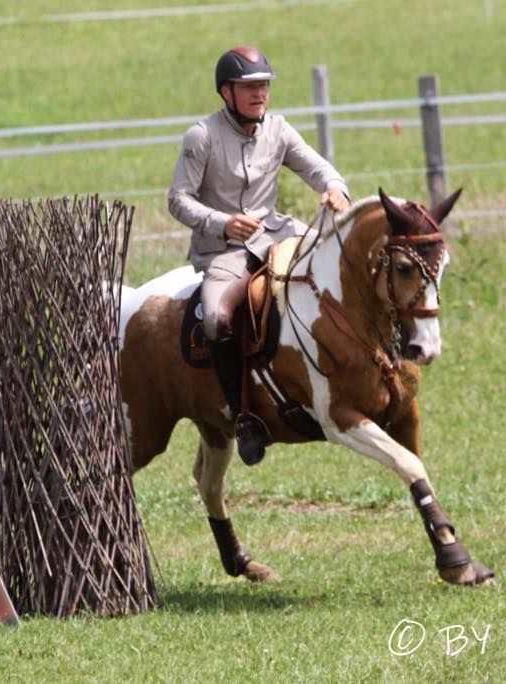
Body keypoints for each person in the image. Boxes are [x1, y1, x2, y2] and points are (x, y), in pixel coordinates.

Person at [168, 45, 350, 466]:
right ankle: (243, 414)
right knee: (215, 318)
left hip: (276, 235)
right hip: (224, 250)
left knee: (334, 263)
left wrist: (336, 188)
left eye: (264, 85)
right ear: (226, 92)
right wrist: (222, 222)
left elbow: (318, 168)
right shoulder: (202, 137)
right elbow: (178, 200)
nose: (260, 94)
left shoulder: (279, 130)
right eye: (249, 87)